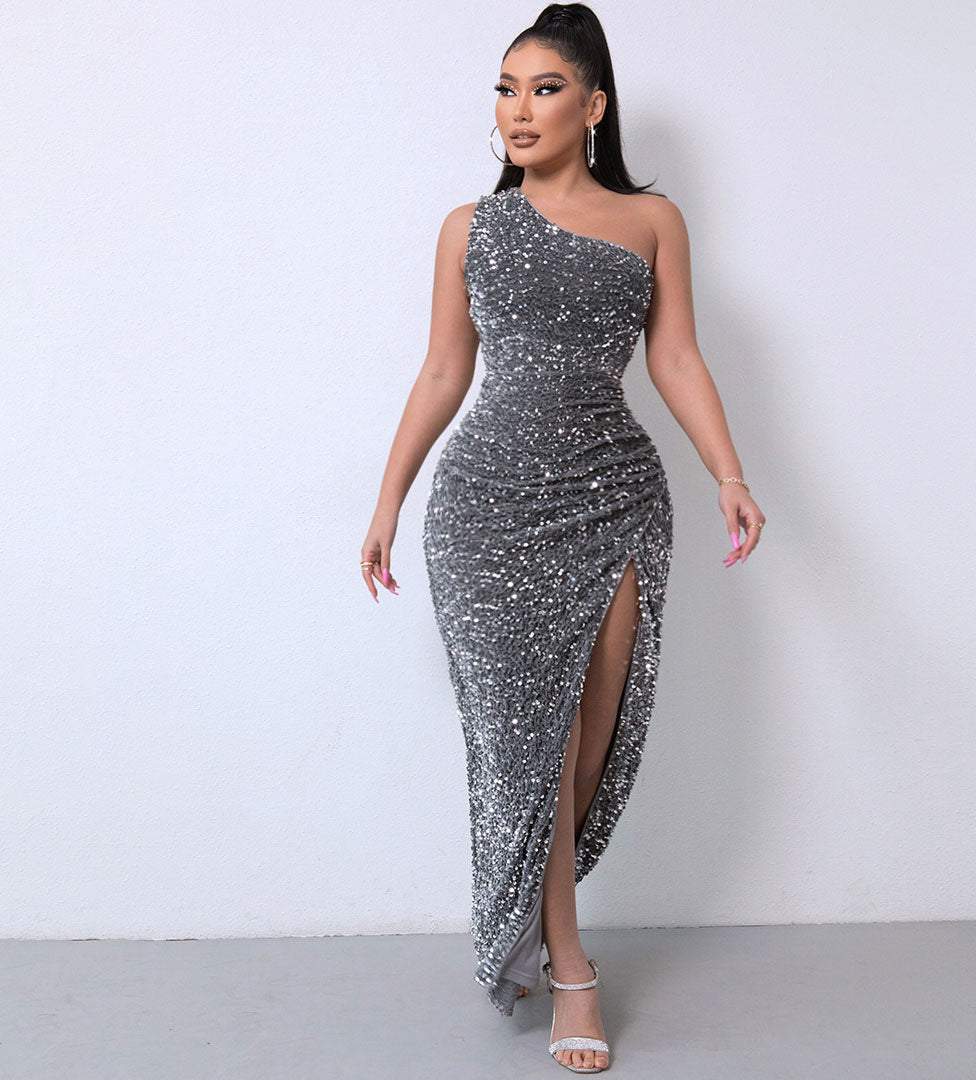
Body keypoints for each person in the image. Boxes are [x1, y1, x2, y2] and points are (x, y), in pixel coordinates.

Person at [361, 3, 765, 1072]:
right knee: (521, 740)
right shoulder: (469, 228)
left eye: (544, 88)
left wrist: (729, 473)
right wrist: (388, 498)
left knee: (587, 733)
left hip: (613, 497)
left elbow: (675, 357)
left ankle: (534, 924)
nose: (519, 109)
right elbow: (443, 370)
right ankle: (570, 963)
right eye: (506, 89)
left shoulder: (652, 221)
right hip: (485, 506)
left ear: (593, 106)